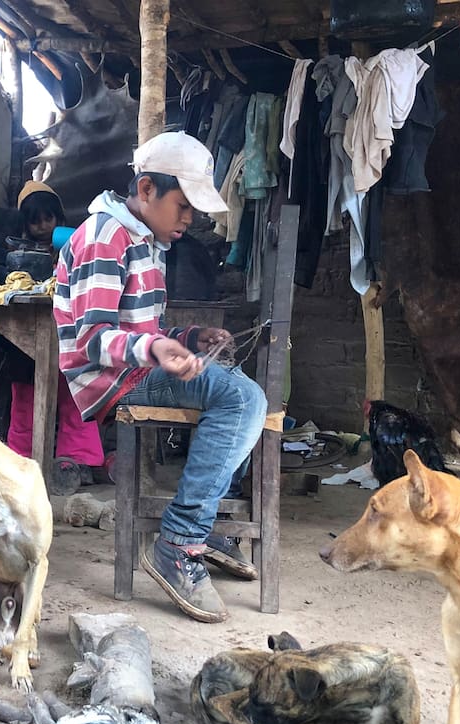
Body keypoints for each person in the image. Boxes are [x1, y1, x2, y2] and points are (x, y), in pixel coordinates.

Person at [52, 131, 268, 623]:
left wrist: (188, 337)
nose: (189, 218)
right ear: (146, 189)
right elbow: (92, 338)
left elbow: (142, 329)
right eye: (183, 204)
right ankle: (181, 541)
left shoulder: (141, 239)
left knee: (239, 392)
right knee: (242, 402)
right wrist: (154, 347)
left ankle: (203, 517)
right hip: (113, 381)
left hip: (134, 367)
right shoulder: (106, 236)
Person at [2, 182, 105, 493]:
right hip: (25, 345)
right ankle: (21, 460)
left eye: (50, 219)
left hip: (69, 339)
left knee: (76, 399)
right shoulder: (13, 254)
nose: (44, 226)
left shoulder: (78, 244)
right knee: (25, 403)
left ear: (60, 219)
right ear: (24, 223)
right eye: (35, 220)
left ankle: (78, 461)